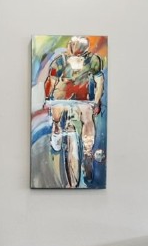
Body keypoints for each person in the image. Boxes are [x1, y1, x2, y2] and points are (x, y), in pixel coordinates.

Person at [44, 36, 105, 185]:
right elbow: (99, 82)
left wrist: (47, 98)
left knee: (83, 117)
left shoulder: (62, 61)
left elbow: (51, 83)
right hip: (73, 98)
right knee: (85, 119)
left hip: (72, 98)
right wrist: (96, 101)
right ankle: (86, 149)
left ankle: (84, 150)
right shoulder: (64, 61)